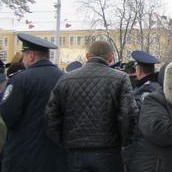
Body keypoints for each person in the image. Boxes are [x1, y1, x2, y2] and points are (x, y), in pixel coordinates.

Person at [44, 40, 137, 172]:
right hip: (108, 149)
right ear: (111, 58)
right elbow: (128, 114)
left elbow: (51, 116)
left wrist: (63, 141)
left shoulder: (66, 79)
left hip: (75, 151)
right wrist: (124, 141)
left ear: (87, 56)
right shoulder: (120, 78)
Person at [0, 33, 69, 172]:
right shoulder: (66, 79)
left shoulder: (19, 80)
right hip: (59, 156)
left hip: (24, 156)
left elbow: (8, 116)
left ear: (31, 56)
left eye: (24, 56)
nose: (23, 60)